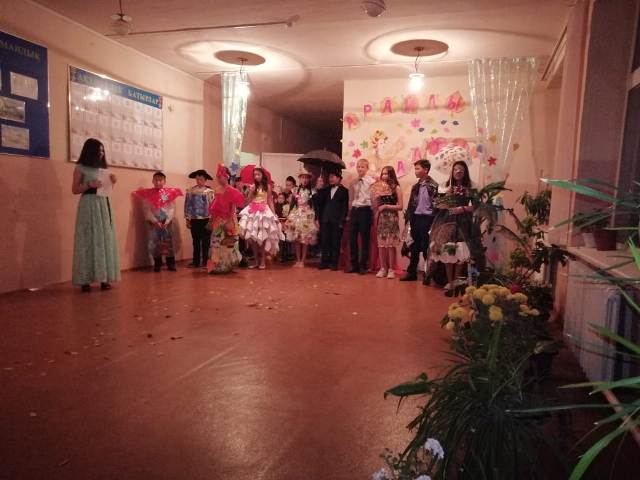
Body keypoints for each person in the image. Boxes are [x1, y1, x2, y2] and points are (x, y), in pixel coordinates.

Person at [71, 138, 120, 292]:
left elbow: (107, 188)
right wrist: (89, 185)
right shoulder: (80, 167)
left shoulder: (103, 169)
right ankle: (84, 280)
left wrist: (113, 182)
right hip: (88, 204)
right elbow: (74, 189)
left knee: (105, 238)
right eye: (99, 151)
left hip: (103, 204)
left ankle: (104, 279)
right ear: (90, 151)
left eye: (103, 150)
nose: (101, 153)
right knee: (87, 239)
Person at [429, 160, 474, 294]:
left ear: (465, 172)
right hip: (447, 222)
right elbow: (438, 205)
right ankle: (449, 281)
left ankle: (456, 281)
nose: (458, 172)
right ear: (452, 172)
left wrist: (462, 208)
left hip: (463, 222)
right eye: (455, 169)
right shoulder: (446, 187)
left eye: (461, 170)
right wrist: (446, 197)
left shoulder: (470, 189)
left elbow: (475, 206)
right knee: (448, 251)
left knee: (460, 252)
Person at [132, 171, 183, 272]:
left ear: (164, 181)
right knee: (155, 243)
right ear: (152, 181)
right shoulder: (148, 194)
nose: (158, 182)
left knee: (168, 242)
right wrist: (155, 221)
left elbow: (171, 208)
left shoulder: (168, 194)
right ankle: (157, 263)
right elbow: (146, 209)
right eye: (156, 180)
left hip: (166, 221)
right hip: (154, 222)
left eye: (160, 180)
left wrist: (167, 220)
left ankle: (170, 263)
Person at [400, 159, 439, 282]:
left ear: (425, 170)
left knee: (427, 246)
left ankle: (428, 274)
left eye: (418, 169)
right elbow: (411, 204)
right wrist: (408, 219)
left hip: (428, 218)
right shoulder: (416, 186)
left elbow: (437, 204)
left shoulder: (433, 186)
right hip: (416, 217)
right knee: (414, 246)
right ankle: (412, 272)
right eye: (415, 169)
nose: (415, 171)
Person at [238, 167, 284, 269]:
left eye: (258, 174)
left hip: (264, 212)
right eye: (255, 175)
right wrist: (250, 191)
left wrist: (274, 215)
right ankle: (256, 261)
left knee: (262, 237)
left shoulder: (267, 187)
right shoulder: (253, 187)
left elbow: (270, 201)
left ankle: (262, 260)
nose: (256, 176)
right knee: (253, 238)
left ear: (262, 175)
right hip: (253, 211)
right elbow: (248, 201)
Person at [207, 165, 245, 274]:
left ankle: (229, 265)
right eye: (217, 177)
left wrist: (229, 220)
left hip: (229, 218)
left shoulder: (232, 190)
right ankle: (217, 265)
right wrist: (212, 219)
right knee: (216, 242)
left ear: (226, 176)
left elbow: (233, 207)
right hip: (218, 219)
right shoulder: (216, 190)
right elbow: (215, 206)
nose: (219, 179)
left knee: (229, 243)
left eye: (220, 176)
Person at [372, 166, 403, 279]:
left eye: (386, 174)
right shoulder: (380, 187)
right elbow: (377, 206)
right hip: (382, 218)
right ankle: (383, 268)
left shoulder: (396, 188)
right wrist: (377, 197)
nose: (384, 176)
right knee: (381, 245)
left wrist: (386, 206)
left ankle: (391, 269)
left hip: (392, 218)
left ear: (391, 175)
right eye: (383, 174)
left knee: (390, 245)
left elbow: (400, 206)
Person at [314, 170, 349, 271]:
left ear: (339, 178)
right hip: (325, 219)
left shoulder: (344, 191)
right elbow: (318, 202)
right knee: (324, 241)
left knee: (335, 242)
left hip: (337, 220)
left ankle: (334, 263)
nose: (331, 179)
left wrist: (342, 221)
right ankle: (324, 262)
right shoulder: (325, 190)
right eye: (330, 177)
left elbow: (344, 207)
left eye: (333, 177)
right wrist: (318, 189)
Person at [284, 166, 318, 267]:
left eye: (306, 177)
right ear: (300, 178)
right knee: (297, 239)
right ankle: (298, 260)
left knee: (305, 239)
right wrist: (289, 215)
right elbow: (292, 204)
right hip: (297, 215)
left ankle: (303, 260)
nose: (305, 179)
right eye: (303, 177)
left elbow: (315, 205)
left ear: (309, 179)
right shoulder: (295, 190)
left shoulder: (312, 191)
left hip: (307, 215)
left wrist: (315, 218)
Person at [347, 158, 375, 274]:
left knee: (365, 238)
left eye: (362, 167)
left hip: (365, 210)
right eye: (358, 166)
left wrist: (373, 212)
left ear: (367, 168)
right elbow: (351, 198)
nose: (360, 169)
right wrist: (350, 212)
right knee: (352, 238)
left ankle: (363, 264)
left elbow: (373, 198)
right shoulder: (353, 181)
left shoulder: (371, 181)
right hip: (355, 209)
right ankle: (354, 264)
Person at [184, 169, 214, 268]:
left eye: (201, 179)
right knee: (195, 241)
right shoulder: (191, 191)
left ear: (205, 180)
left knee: (206, 241)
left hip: (206, 219)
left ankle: (205, 261)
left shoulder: (209, 191)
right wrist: (187, 219)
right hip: (194, 219)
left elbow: (213, 206)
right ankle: (196, 261)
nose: (199, 181)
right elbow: (187, 205)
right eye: (197, 179)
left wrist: (211, 220)